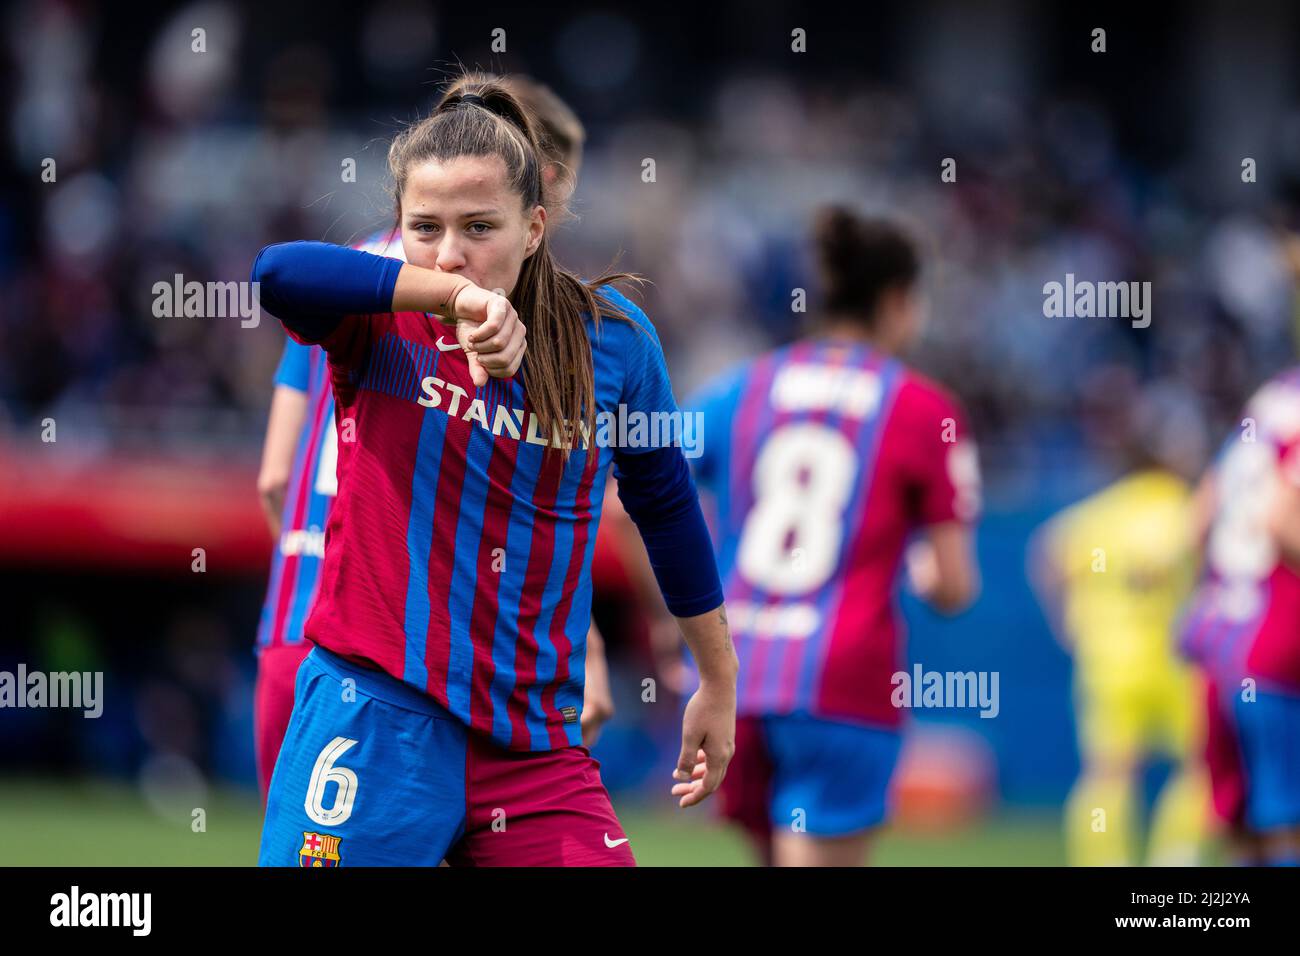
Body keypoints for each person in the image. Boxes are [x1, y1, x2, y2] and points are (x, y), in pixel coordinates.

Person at [249, 73, 735, 866]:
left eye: (480, 227)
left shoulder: (614, 343)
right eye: (424, 227)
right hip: (373, 716)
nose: (450, 254)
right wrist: (458, 301)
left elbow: (667, 506)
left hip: (533, 748)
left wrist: (717, 678)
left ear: (535, 226)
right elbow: (276, 273)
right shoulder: (379, 322)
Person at [250, 76, 609, 802]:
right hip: (411, 654)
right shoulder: (503, 312)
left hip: (302, 623)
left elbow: (274, 477)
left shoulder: (343, 274)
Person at [685, 207, 980, 866]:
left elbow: (630, 497)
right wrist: (928, 573)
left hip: (735, 675)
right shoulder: (921, 408)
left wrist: (669, 611)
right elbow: (954, 586)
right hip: (840, 680)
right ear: (899, 300)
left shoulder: (741, 388)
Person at [1029, 386, 1209, 866]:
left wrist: (1065, 620)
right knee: (1202, 763)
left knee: (1107, 773)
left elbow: (1047, 552)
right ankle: (1175, 859)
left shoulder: (1105, 509)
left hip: (1104, 657)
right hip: (1172, 658)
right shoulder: (1180, 504)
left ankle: (1102, 861)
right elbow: (1172, 558)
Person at [1181, 367, 1300, 866]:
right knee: (1285, 823)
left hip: (1221, 640)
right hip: (1279, 637)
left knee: (1246, 825)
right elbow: (1282, 518)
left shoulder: (1265, 409)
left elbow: (1196, 522)